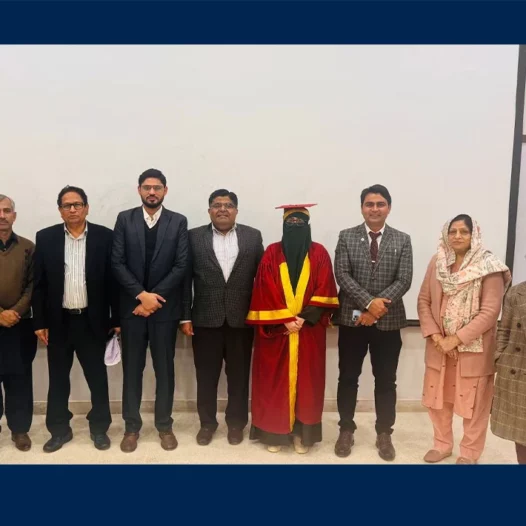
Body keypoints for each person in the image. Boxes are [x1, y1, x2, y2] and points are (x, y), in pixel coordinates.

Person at [246, 204, 338, 454]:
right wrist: (285, 319)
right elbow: (264, 288)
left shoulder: (319, 253)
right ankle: (274, 434)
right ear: (283, 225)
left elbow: (325, 288)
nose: (295, 227)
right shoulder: (271, 253)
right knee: (273, 383)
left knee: (307, 385)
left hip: (308, 332)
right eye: (290, 222)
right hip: (277, 332)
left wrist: (303, 319)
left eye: (300, 223)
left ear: (308, 226)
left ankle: (301, 434)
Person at [32, 186, 119, 452]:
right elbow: (39, 285)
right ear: (60, 210)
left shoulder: (105, 237)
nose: (72, 209)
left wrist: (116, 319)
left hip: (93, 321)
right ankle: (59, 430)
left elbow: (114, 282)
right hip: (58, 322)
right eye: (66, 205)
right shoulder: (46, 238)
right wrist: (39, 322)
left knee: (97, 378)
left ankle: (99, 428)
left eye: (77, 204)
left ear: (87, 208)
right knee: (58, 379)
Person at [417, 215, 510, 464]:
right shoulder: (438, 262)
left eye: (464, 231)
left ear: (474, 235)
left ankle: (469, 452)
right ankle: (442, 445)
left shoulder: (489, 266)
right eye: (453, 231)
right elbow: (424, 301)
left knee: (475, 405)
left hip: (473, 351)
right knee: (437, 400)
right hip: (439, 348)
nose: (457, 236)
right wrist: (437, 336)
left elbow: (490, 312)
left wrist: (455, 339)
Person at [333, 184, 413, 461]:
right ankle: (346, 429)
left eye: (380, 204)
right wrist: (369, 303)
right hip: (352, 320)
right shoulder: (346, 236)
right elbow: (342, 275)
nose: (375, 209)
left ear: (388, 208)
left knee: (386, 380)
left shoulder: (402, 239)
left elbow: (404, 279)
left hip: (388, 322)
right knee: (348, 377)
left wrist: (376, 310)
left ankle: (384, 433)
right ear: (362, 208)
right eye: (369, 204)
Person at [112, 168, 188, 453]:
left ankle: (164, 426)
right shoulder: (125, 219)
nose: (152, 192)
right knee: (132, 370)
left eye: (157, 187)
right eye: (147, 187)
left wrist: (154, 299)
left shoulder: (178, 221)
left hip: (164, 311)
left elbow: (181, 265)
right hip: (132, 309)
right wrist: (141, 296)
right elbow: (117, 262)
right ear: (139, 190)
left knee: (164, 370)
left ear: (165, 190)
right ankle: (131, 427)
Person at [181, 189, 264, 446]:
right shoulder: (193, 237)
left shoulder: (252, 236)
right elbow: (184, 280)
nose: (223, 209)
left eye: (228, 205)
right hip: (205, 319)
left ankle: (236, 423)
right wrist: (184, 316)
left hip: (242, 320)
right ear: (209, 211)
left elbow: (263, 279)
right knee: (206, 376)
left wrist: (262, 315)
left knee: (239, 376)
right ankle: (207, 424)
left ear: (236, 210)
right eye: (217, 205)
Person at [0, 195, 37, 451]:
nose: (1, 216)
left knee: (20, 378)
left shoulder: (28, 247)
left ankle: (20, 430)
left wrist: (14, 312)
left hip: (19, 324)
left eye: (6, 210)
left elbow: (33, 285)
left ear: (14, 215)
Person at [490, 281, 526, 464]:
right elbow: (504, 329)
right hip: (517, 370)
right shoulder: (516, 292)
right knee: (521, 434)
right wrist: (500, 358)